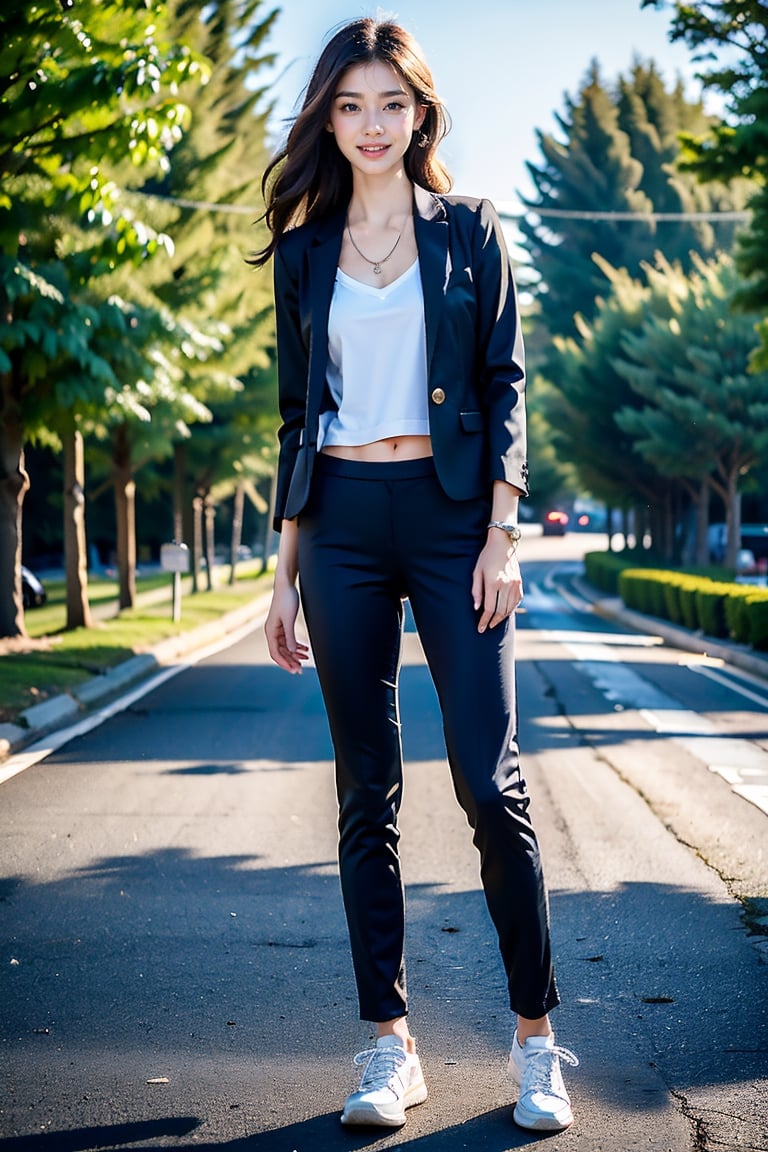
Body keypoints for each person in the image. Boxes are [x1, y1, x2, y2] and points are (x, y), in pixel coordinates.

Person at [252, 16, 578, 1133]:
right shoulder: (304, 251)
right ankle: (387, 1045)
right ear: (327, 120)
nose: (371, 124)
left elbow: (506, 388)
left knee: (491, 783)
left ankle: (537, 1041)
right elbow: (296, 417)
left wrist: (502, 534)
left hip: (451, 525)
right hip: (339, 518)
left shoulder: (470, 232)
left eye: (391, 103)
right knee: (366, 791)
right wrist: (285, 569)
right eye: (350, 105)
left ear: (421, 111)